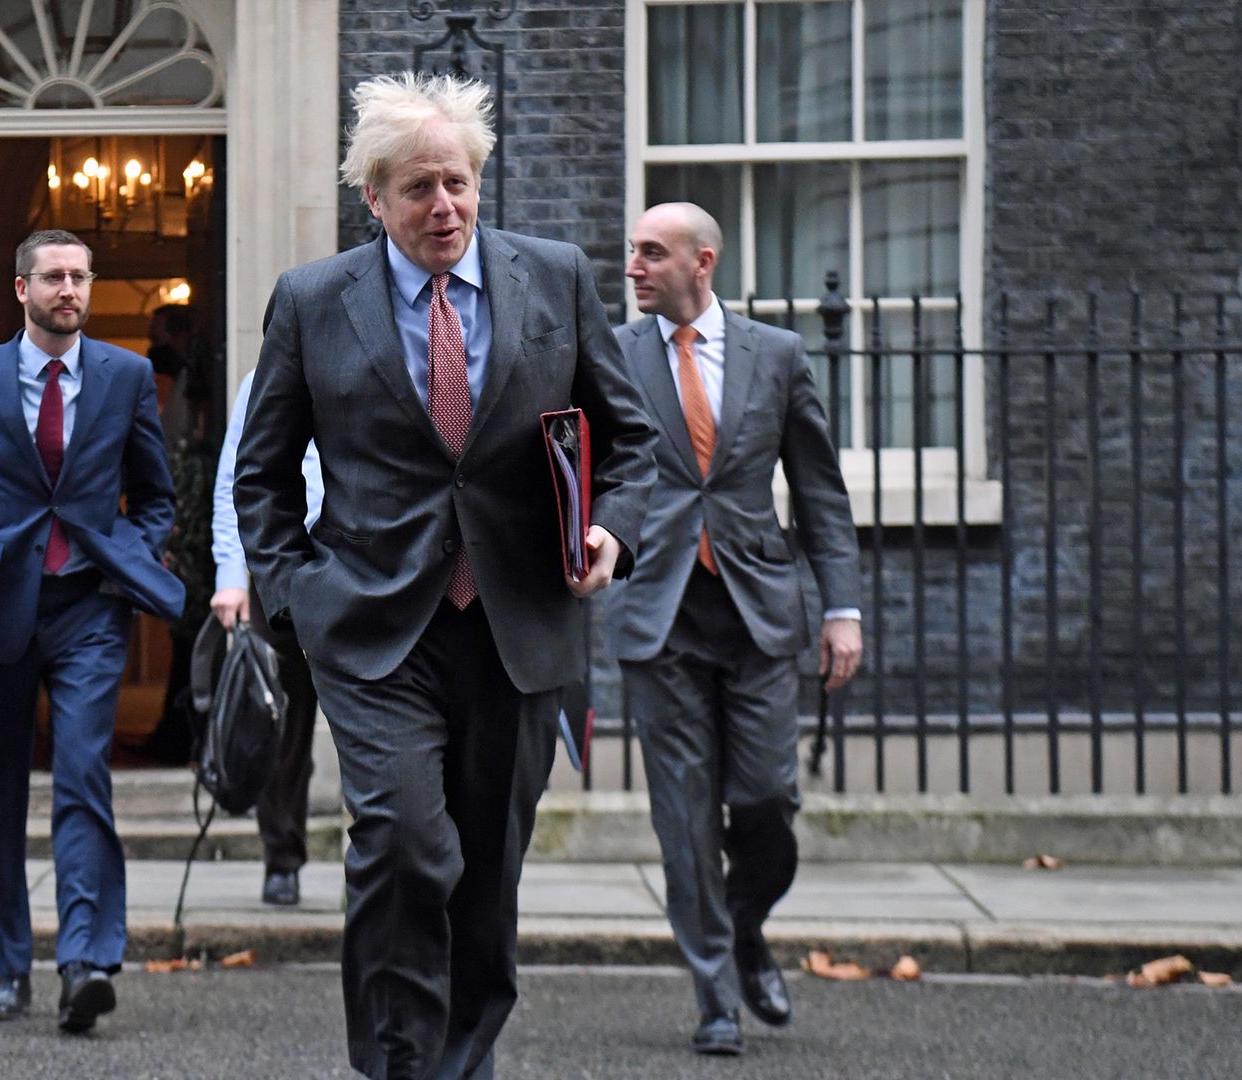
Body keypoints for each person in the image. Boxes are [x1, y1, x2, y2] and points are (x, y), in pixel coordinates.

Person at [234, 73, 659, 1079]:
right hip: (378, 630)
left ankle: (461, 1059)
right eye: (420, 187)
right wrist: (297, 596)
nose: (445, 207)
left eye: (460, 183)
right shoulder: (310, 301)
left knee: (484, 875)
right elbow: (259, 474)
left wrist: (611, 534)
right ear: (373, 197)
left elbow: (632, 443)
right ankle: (398, 1062)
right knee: (403, 847)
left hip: (519, 627)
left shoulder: (552, 278)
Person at [0, 229, 183, 1033]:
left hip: (90, 606)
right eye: (54, 276)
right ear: (22, 288)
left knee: (85, 777)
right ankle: (8, 963)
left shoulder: (126, 377)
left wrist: (132, 552)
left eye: (80, 276)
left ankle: (86, 961)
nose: (70, 289)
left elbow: (154, 492)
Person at [610, 202, 864, 1056]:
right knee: (683, 822)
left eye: (653, 253)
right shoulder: (613, 355)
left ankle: (746, 925)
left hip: (758, 614)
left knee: (767, 805)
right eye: (633, 252)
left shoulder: (778, 355)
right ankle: (716, 994)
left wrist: (842, 609)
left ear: (702, 262)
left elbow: (822, 493)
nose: (636, 266)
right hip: (660, 618)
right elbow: (588, 468)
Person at [210, 366, 324, 906]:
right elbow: (237, 474)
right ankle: (282, 856)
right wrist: (231, 578)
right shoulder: (263, 377)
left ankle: (390, 860)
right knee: (282, 722)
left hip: (372, 567)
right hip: (282, 572)